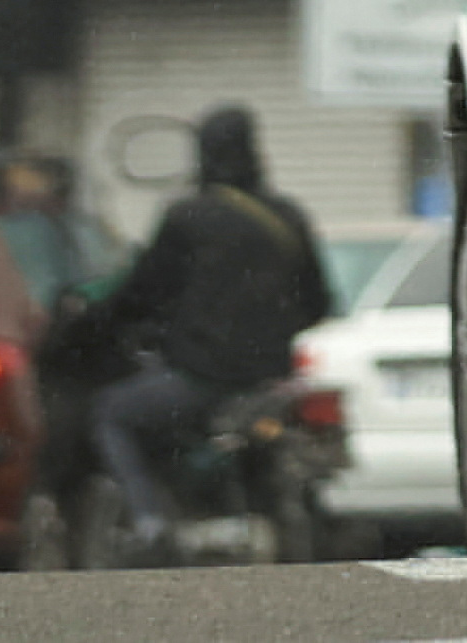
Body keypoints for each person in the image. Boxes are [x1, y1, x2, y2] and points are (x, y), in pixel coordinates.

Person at [90, 108, 325, 557]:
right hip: (273, 379)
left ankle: (149, 520)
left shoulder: (187, 217)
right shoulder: (288, 217)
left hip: (203, 378)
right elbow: (318, 301)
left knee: (111, 413)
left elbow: (142, 292)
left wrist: (109, 320)